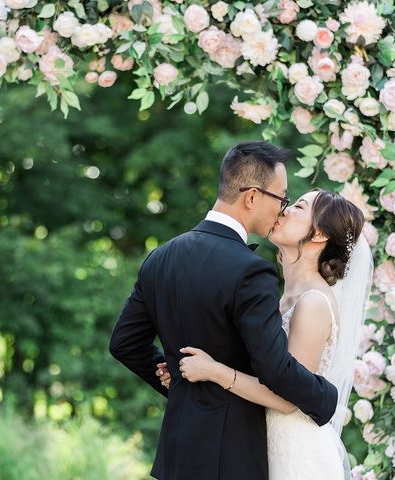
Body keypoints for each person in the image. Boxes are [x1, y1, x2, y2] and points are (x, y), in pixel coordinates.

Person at [109, 141, 338, 480]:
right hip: (231, 455)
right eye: (281, 199)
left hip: (177, 453)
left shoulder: (160, 258)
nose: (283, 209)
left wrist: (180, 375)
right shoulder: (250, 270)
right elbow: (274, 369)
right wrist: (325, 397)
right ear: (252, 197)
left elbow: (124, 344)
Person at [164, 189, 373, 479]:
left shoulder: (313, 303)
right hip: (262, 443)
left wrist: (213, 371)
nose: (284, 210)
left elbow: (289, 398)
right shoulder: (284, 298)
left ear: (320, 234)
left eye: (299, 206)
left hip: (296, 452)